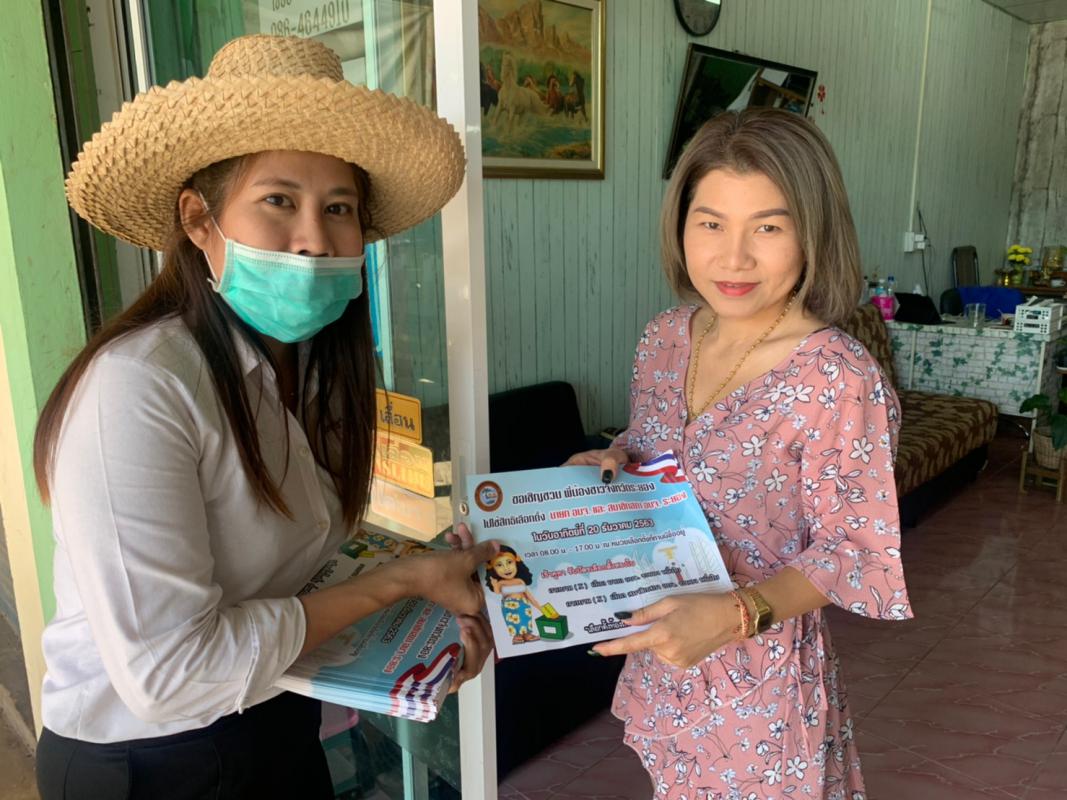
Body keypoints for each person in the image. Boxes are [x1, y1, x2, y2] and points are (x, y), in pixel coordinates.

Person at [33, 34, 496, 800]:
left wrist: (424, 626)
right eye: (279, 201)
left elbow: (294, 580)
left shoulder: (313, 369)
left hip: (272, 716)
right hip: (148, 763)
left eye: (338, 208)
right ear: (198, 219)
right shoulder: (140, 387)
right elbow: (170, 676)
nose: (313, 239)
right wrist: (400, 583)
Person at [568, 108, 911, 799]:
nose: (733, 258)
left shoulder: (836, 376)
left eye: (769, 228)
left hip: (760, 685)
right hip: (663, 651)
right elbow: (658, 447)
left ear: (812, 233)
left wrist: (734, 616)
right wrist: (611, 462)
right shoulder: (665, 338)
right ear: (680, 225)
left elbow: (854, 550)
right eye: (710, 223)